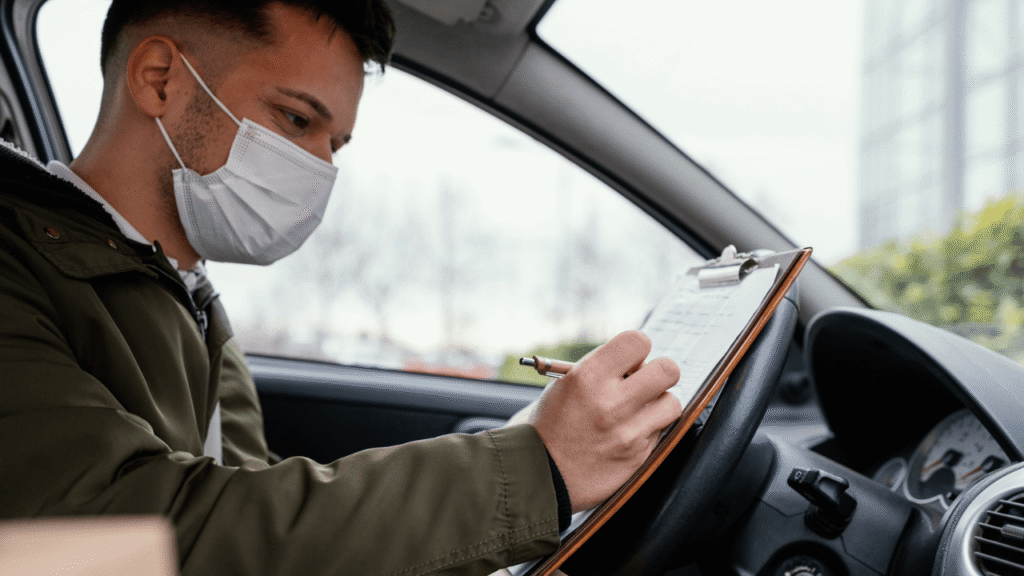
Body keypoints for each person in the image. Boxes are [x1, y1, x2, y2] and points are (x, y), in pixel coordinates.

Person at [0, 1, 682, 574]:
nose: (319, 168)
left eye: (336, 144)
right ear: (159, 80)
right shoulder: (15, 271)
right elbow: (145, 539)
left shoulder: (190, 296)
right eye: (297, 120)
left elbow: (250, 512)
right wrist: (536, 471)